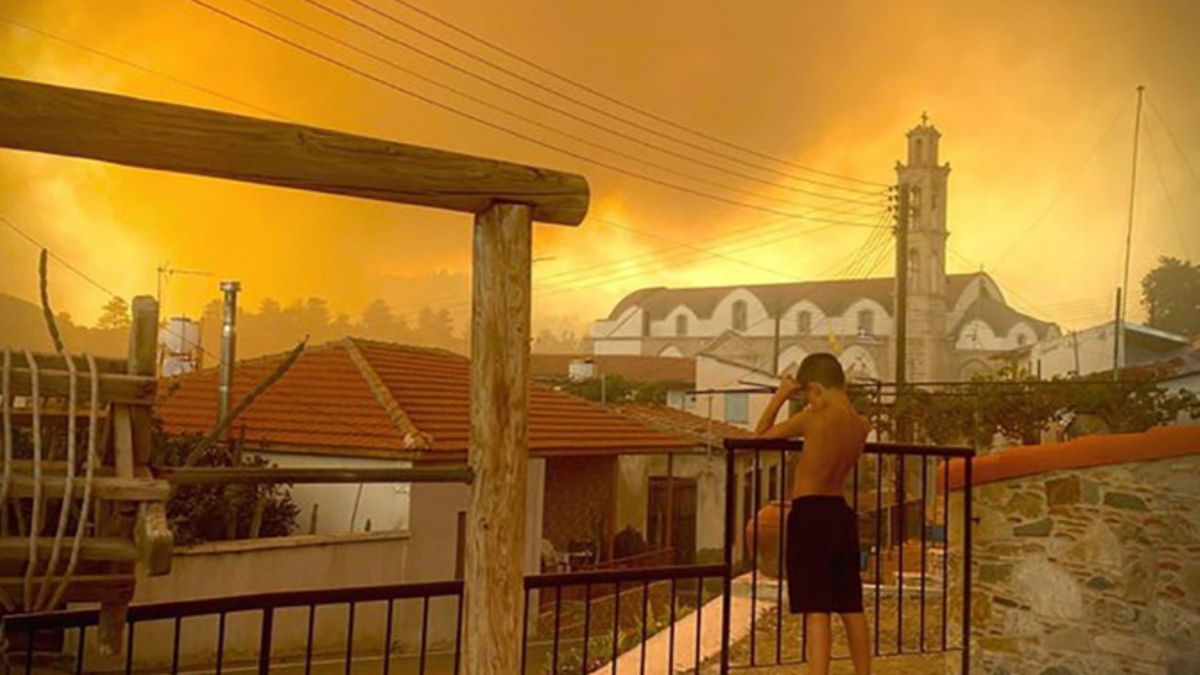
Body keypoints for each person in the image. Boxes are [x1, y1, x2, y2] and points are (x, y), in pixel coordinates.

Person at [754, 353, 871, 675]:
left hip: (810, 514)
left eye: (807, 392)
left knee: (816, 610)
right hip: (840, 513)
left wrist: (781, 394)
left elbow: (761, 433)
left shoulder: (813, 417)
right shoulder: (861, 425)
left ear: (816, 388)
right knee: (850, 605)